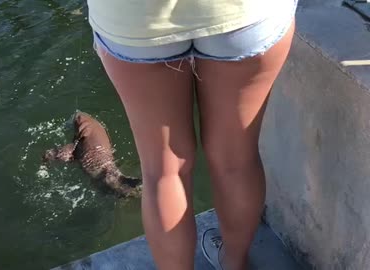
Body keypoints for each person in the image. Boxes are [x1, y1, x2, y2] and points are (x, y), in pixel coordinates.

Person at [86, 0, 298, 269]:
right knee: (236, 160)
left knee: (163, 171)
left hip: (135, 19)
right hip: (244, 12)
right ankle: (234, 263)